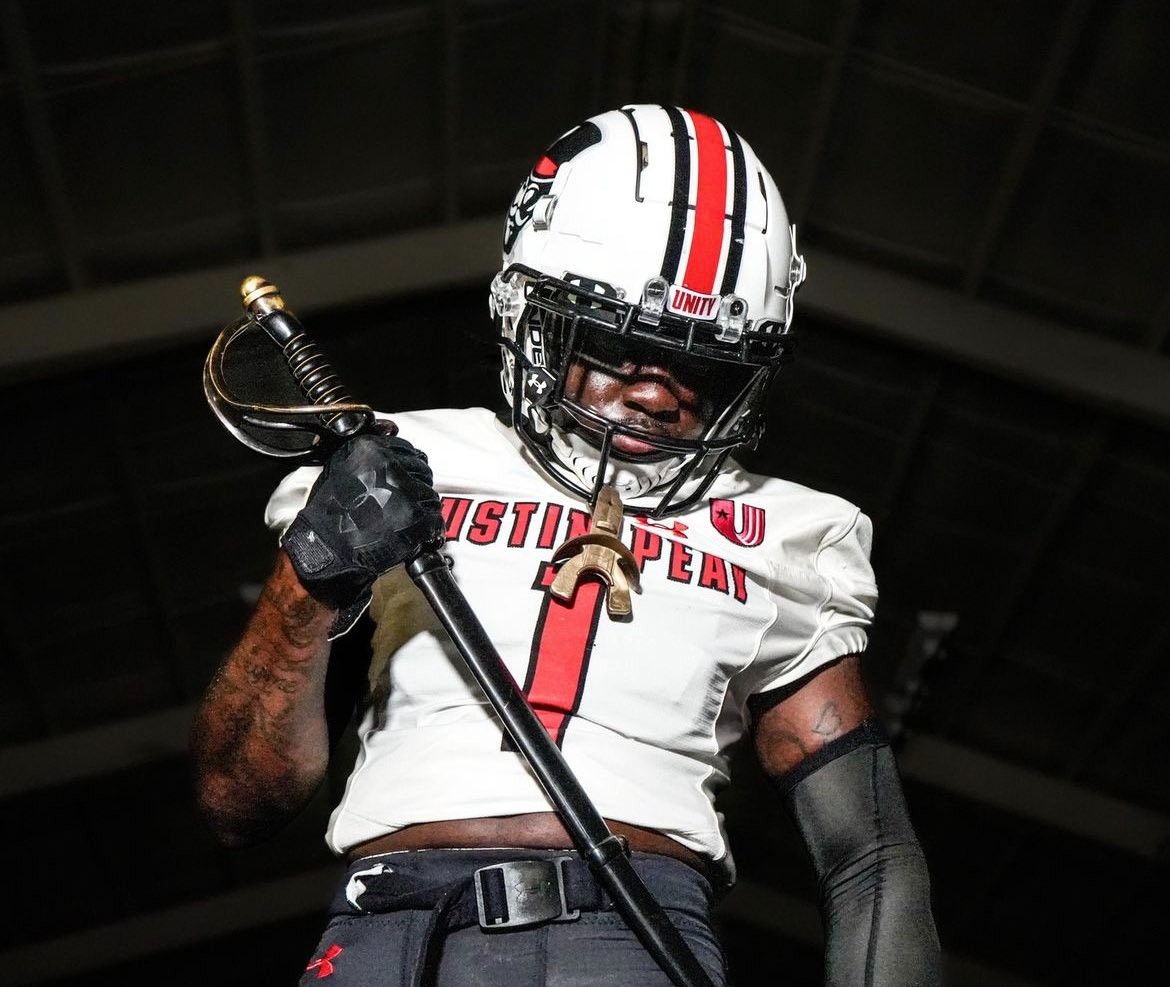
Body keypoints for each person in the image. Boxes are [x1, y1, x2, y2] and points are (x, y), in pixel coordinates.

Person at [192, 105, 941, 986]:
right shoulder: (401, 461)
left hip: (629, 935)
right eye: (622, 345)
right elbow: (238, 802)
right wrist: (309, 579)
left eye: (703, 363)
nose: (656, 395)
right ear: (531, 314)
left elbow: (869, 855)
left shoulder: (785, 530)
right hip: (387, 930)